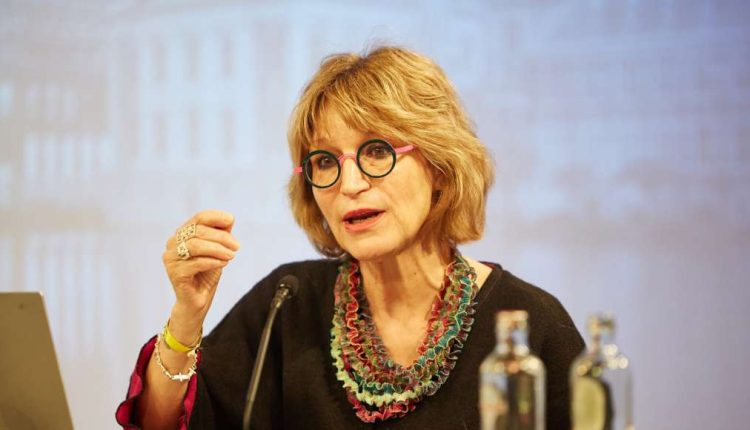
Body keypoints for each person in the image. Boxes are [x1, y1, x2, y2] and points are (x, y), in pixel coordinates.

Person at [116, 46, 584, 429]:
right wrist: (187, 317)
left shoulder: (531, 326)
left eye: (376, 151)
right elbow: (162, 425)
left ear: (440, 167)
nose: (350, 183)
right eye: (325, 162)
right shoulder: (286, 303)